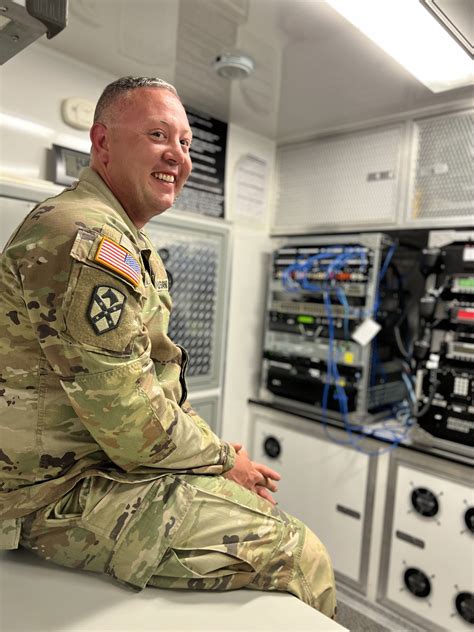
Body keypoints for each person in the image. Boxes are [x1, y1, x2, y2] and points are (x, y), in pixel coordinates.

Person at [0, 76, 336, 617]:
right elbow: (131, 424)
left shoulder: (122, 235)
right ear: (103, 142)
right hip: (48, 493)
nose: (177, 156)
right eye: (159, 134)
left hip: (98, 466)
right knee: (300, 554)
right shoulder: (86, 240)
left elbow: (153, 389)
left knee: (254, 509)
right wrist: (224, 460)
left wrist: (217, 458)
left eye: (185, 142)